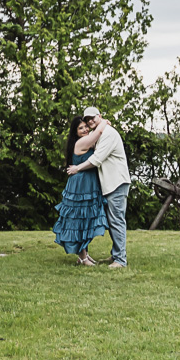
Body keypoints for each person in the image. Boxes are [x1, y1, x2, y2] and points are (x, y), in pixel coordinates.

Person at [67, 106, 131, 268]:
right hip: (109, 184)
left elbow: (97, 159)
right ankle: (116, 254)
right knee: (112, 220)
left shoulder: (107, 134)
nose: (89, 122)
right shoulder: (100, 133)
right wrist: (101, 126)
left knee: (116, 221)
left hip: (116, 182)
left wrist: (77, 168)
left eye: (92, 118)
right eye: (87, 120)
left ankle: (120, 260)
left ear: (99, 116)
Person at [53, 116, 109, 265]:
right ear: (75, 132)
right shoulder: (81, 142)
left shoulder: (84, 141)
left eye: (86, 126)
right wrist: (103, 121)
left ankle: (84, 255)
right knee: (79, 219)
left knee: (85, 219)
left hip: (87, 184)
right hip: (81, 186)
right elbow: (98, 133)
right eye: (80, 128)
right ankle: (83, 258)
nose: (85, 129)